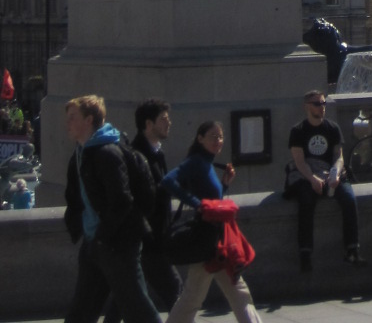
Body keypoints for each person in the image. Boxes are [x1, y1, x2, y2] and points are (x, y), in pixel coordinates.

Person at [62, 95, 161, 323]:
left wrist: (103, 237)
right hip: (95, 243)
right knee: (81, 311)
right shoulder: (80, 153)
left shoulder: (107, 153)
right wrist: (82, 229)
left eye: (72, 117)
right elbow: (76, 199)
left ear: (89, 120)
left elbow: (122, 201)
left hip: (118, 245)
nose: (67, 123)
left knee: (139, 309)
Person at [162, 121, 260, 323]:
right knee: (195, 298)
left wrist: (224, 185)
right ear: (200, 138)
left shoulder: (206, 163)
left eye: (221, 137)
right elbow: (168, 181)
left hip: (217, 240)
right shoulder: (197, 162)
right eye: (213, 137)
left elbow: (214, 201)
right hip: (208, 240)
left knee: (235, 293)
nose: (219, 141)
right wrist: (197, 204)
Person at [108, 98, 182, 314]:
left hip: (152, 237)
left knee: (124, 297)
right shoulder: (137, 155)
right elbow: (143, 197)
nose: (169, 123)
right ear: (148, 124)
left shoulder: (156, 152)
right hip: (148, 239)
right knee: (175, 290)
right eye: (163, 120)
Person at [284, 91, 361, 272]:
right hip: (306, 174)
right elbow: (299, 161)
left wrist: (335, 173)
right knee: (306, 201)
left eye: (323, 103)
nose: (322, 107)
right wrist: (312, 179)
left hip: (330, 172)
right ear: (307, 106)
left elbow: (339, 156)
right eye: (317, 103)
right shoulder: (298, 131)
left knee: (349, 198)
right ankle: (305, 253)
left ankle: (352, 249)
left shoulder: (332, 128)